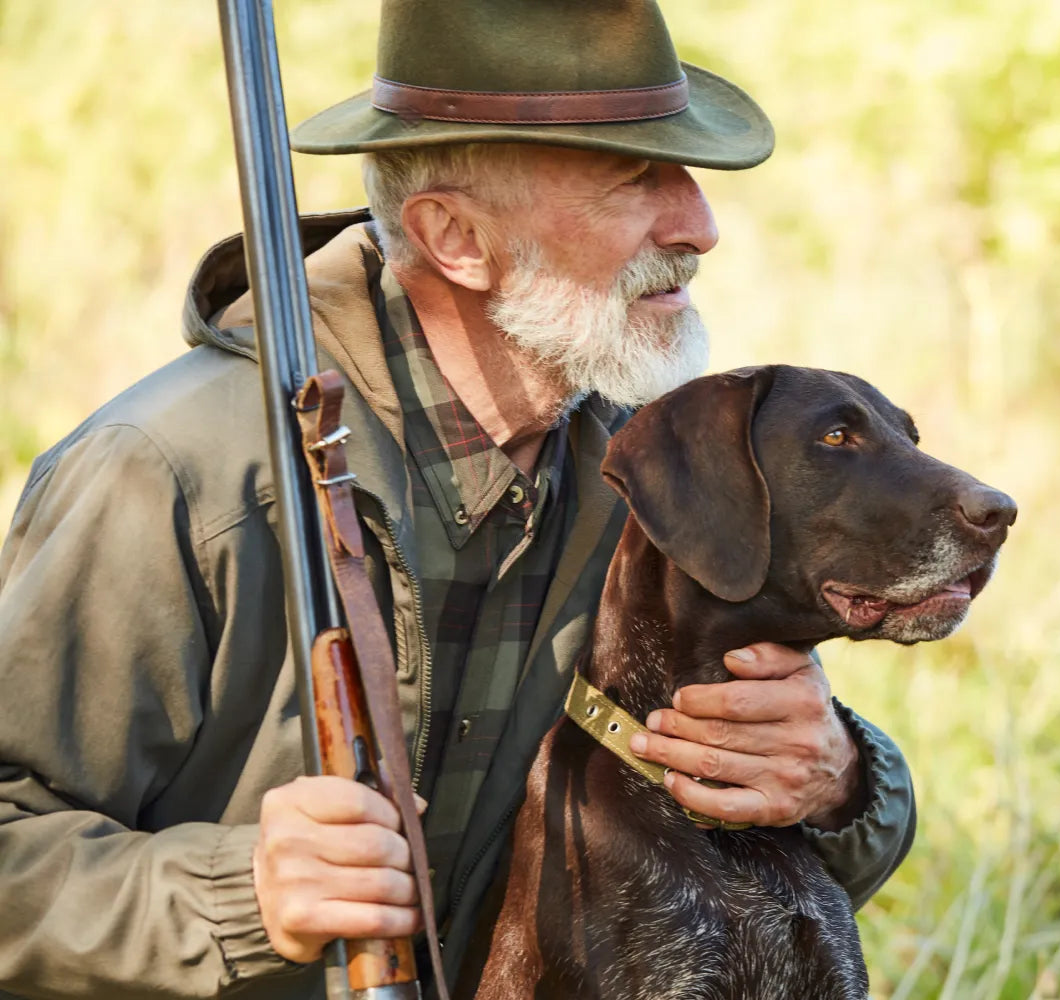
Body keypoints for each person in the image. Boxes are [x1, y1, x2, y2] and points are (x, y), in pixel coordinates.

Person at [0, 1, 917, 997]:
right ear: (456, 238)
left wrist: (837, 780)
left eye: (686, 178)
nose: (699, 226)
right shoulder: (173, 476)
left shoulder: (638, 472)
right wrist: (235, 896)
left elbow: (773, 824)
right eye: (633, 180)